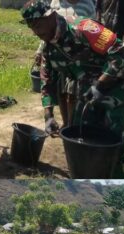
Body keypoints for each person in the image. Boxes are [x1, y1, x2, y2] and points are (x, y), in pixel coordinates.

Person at [22, 0, 124, 178]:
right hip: (90, 87)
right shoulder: (49, 49)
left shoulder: (85, 28)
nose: (36, 31)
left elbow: (121, 55)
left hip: (121, 84)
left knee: (118, 140)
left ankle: (123, 178)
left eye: (38, 24)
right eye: (31, 26)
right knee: (83, 132)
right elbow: (46, 81)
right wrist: (48, 116)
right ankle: (94, 177)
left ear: (51, 16)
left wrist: (100, 85)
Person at [37, 0, 96, 134]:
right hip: (58, 54)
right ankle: (66, 123)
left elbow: (93, 30)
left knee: (73, 93)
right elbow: (47, 32)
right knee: (61, 92)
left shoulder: (88, 5)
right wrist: (41, 50)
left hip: (80, 57)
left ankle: (73, 125)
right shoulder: (56, 3)